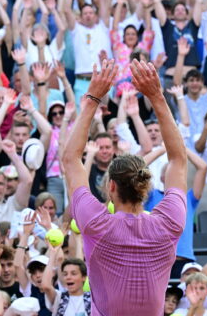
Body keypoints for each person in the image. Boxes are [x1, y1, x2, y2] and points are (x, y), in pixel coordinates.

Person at [61, 59, 187, 315]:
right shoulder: (169, 223)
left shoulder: (97, 224)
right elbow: (178, 159)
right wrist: (156, 97)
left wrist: (93, 98)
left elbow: (70, 160)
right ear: (144, 185)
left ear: (112, 188)